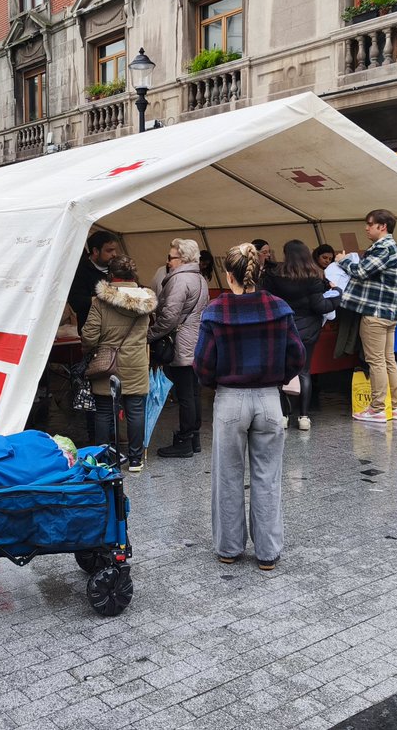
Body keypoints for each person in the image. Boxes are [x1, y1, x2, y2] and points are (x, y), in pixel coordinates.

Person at [193, 243, 305, 570]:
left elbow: (202, 364)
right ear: (257, 272)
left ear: (229, 275)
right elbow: (297, 356)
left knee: (227, 476)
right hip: (270, 398)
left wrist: (219, 381)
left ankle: (228, 548)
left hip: (229, 399)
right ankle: (267, 553)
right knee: (267, 476)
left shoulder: (215, 311)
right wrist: (276, 377)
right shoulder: (279, 307)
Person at [81, 255, 157, 472]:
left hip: (107, 364)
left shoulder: (99, 302)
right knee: (135, 410)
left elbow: (89, 336)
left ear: (111, 275)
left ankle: (102, 459)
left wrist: (91, 348)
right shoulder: (146, 301)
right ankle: (135, 460)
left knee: (104, 412)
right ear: (133, 275)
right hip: (136, 363)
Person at [335, 209, 397, 424]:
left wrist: (343, 260)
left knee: (375, 362)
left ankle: (376, 409)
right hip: (390, 313)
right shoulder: (390, 247)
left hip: (376, 313)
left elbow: (361, 271)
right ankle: (393, 407)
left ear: (382, 226)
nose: (366, 228)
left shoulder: (383, 247)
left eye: (370, 224)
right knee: (388, 360)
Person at [150, 238, 210, 457]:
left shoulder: (179, 280)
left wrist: (150, 335)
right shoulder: (200, 278)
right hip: (195, 341)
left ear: (183, 258)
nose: (168, 262)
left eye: (171, 257)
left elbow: (168, 317)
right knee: (193, 393)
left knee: (185, 394)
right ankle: (193, 439)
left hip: (181, 343)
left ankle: (184, 441)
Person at [267, 240, 334, 431]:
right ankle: (304, 417)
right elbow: (321, 306)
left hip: (283, 328)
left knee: (282, 372)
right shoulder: (314, 277)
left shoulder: (276, 276)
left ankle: (283, 416)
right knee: (304, 372)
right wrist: (337, 293)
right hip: (308, 329)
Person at [67, 230, 121, 330]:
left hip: (117, 331)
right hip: (93, 332)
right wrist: (103, 298)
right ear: (96, 251)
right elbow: (76, 302)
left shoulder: (118, 268)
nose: (114, 254)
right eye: (109, 250)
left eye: (115, 250)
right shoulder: (80, 270)